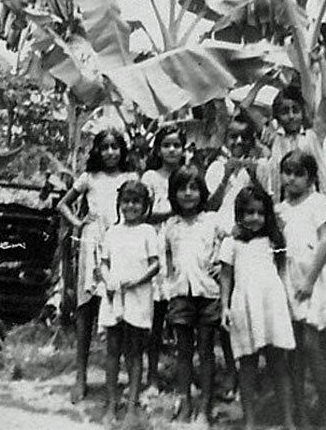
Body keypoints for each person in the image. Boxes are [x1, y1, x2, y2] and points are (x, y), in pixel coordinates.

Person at [57, 129, 137, 403]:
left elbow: (141, 208)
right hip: (92, 244)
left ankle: (115, 379)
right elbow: (62, 204)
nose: (111, 152)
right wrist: (79, 224)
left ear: (122, 150)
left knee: (119, 311)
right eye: (105, 147)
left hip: (121, 244)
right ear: (97, 151)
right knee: (85, 310)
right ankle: (81, 377)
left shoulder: (130, 178)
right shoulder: (88, 178)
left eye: (115, 147)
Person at [278, 151, 326, 426]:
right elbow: (280, 246)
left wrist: (309, 280)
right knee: (295, 349)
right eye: (287, 173)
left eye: (299, 174)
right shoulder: (280, 209)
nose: (291, 179)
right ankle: (301, 411)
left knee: (313, 344)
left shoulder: (317, 202)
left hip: (316, 281)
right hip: (291, 279)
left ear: (310, 178)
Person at [219, 184, 296, 430]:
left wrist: (287, 298)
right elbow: (226, 277)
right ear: (239, 215)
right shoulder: (231, 243)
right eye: (248, 213)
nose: (255, 218)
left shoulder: (274, 239)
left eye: (260, 213)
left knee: (278, 362)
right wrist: (224, 307)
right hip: (244, 304)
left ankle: (288, 419)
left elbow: (283, 266)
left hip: (272, 303)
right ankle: (250, 420)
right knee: (248, 362)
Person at [206, 112, 268, 399]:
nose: (239, 142)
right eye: (234, 136)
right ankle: (232, 372)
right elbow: (212, 204)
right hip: (224, 242)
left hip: (251, 244)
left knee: (251, 306)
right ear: (226, 139)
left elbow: (267, 201)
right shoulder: (218, 167)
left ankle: (252, 376)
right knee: (227, 308)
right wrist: (229, 173)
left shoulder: (260, 166)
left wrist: (253, 173)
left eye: (245, 137)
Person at [164, 164, 224, 429]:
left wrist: (221, 265)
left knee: (206, 351)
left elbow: (229, 246)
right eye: (182, 188)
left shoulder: (211, 221)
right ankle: (185, 399)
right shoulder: (170, 225)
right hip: (180, 294)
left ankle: (205, 406)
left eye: (194, 188)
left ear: (202, 192)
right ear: (174, 193)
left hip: (208, 293)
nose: (188, 193)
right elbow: (167, 260)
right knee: (184, 352)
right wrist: (169, 288)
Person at [99, 180, 159, 428]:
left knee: (135, 351)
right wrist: (109, 279)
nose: (131, 206)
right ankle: (112, 402)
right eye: (126, 201)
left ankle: (132, 404)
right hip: (114, 295)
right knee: (113, 349)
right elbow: (103, 262)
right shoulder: (112, 232)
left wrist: (137, 280)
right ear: (119, 204)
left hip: (138, 295)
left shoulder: (148, 231)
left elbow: (156, 264)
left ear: (145, 206)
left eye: (136, 202)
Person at [142, 123, 186, 393]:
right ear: (159, 149)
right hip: (157, 244)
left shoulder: (187, 175)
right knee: (156, 317)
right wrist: (173, 210)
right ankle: (151, 377)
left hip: (182, 244)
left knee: (182, 317)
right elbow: (143, 212)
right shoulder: (150, 177)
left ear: (184, 150)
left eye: (177, 145)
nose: (172, 149)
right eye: (167, 145)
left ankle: (184, 377)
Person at [264, 84, 326, 204]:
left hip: (309, 202)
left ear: (302, 113)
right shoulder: (275, 141)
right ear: (277, 116)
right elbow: (275, 179)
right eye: (285, 112)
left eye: (295, 110)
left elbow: (322, 174)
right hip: (284, 205)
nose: (291, 116)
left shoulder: (309, 138)